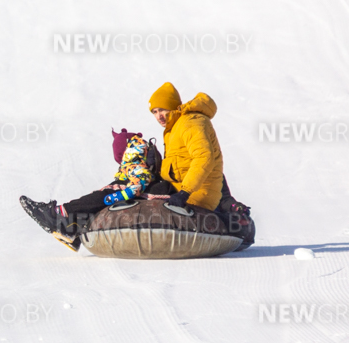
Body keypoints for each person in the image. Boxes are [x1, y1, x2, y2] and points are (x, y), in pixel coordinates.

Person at [20, 128, 157, 250]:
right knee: (100, 198)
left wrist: (122, 195)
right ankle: (73, 230)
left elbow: (141, 180)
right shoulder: (132, 164)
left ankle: (60, 213)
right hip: (129, 192)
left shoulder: (135, 164)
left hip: (134, 195)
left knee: (98, 197)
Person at [143, 82, 224, 210]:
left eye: (162, 109)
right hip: (181, 188)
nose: (159, 116)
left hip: (197, 193)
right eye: (154, 112)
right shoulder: (173, 128)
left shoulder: (190, 123)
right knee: (141, 188)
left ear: (173, 107)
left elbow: (204, 157)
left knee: (143, 195)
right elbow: (180, 165)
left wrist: (184, 193)